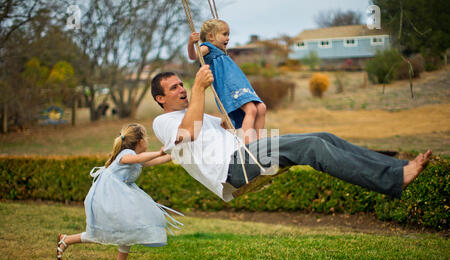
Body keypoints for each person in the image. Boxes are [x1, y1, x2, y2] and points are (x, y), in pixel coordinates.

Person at [151, 66, 432, 203]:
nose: (182, 89)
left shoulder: (197, 113)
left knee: (324, 136)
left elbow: (222, 127)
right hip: (233, 168)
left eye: (181, 84)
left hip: (244, 154)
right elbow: (187, 132)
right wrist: (199, 88)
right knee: (311, 146)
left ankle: (398, 168)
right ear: (160, 98)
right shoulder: (162, 122)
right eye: (174, 88)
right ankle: (392, 179)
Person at [56, 123, 183, 260]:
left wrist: (176, 154)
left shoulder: (135, 157)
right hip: (108, 196)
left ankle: (66, 239)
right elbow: (136, 158)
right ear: (140, 141)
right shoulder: (127, 153)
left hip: (115, 195)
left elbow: (156, 160)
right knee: (124, 228)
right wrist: (158, 151)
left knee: (115, 230)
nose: (147, 141)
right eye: (146, 138)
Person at [187, 19, 266, 144]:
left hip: (240, 84)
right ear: (211, 36)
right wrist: (191, 43)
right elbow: (193, 57)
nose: (227, 38)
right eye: (224, 34)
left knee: (261, 107)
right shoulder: (207, 47)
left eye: (228, 34)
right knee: (251, 110)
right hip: (229, 87)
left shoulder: (222, 52)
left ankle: (259, 142)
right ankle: (247, 146)